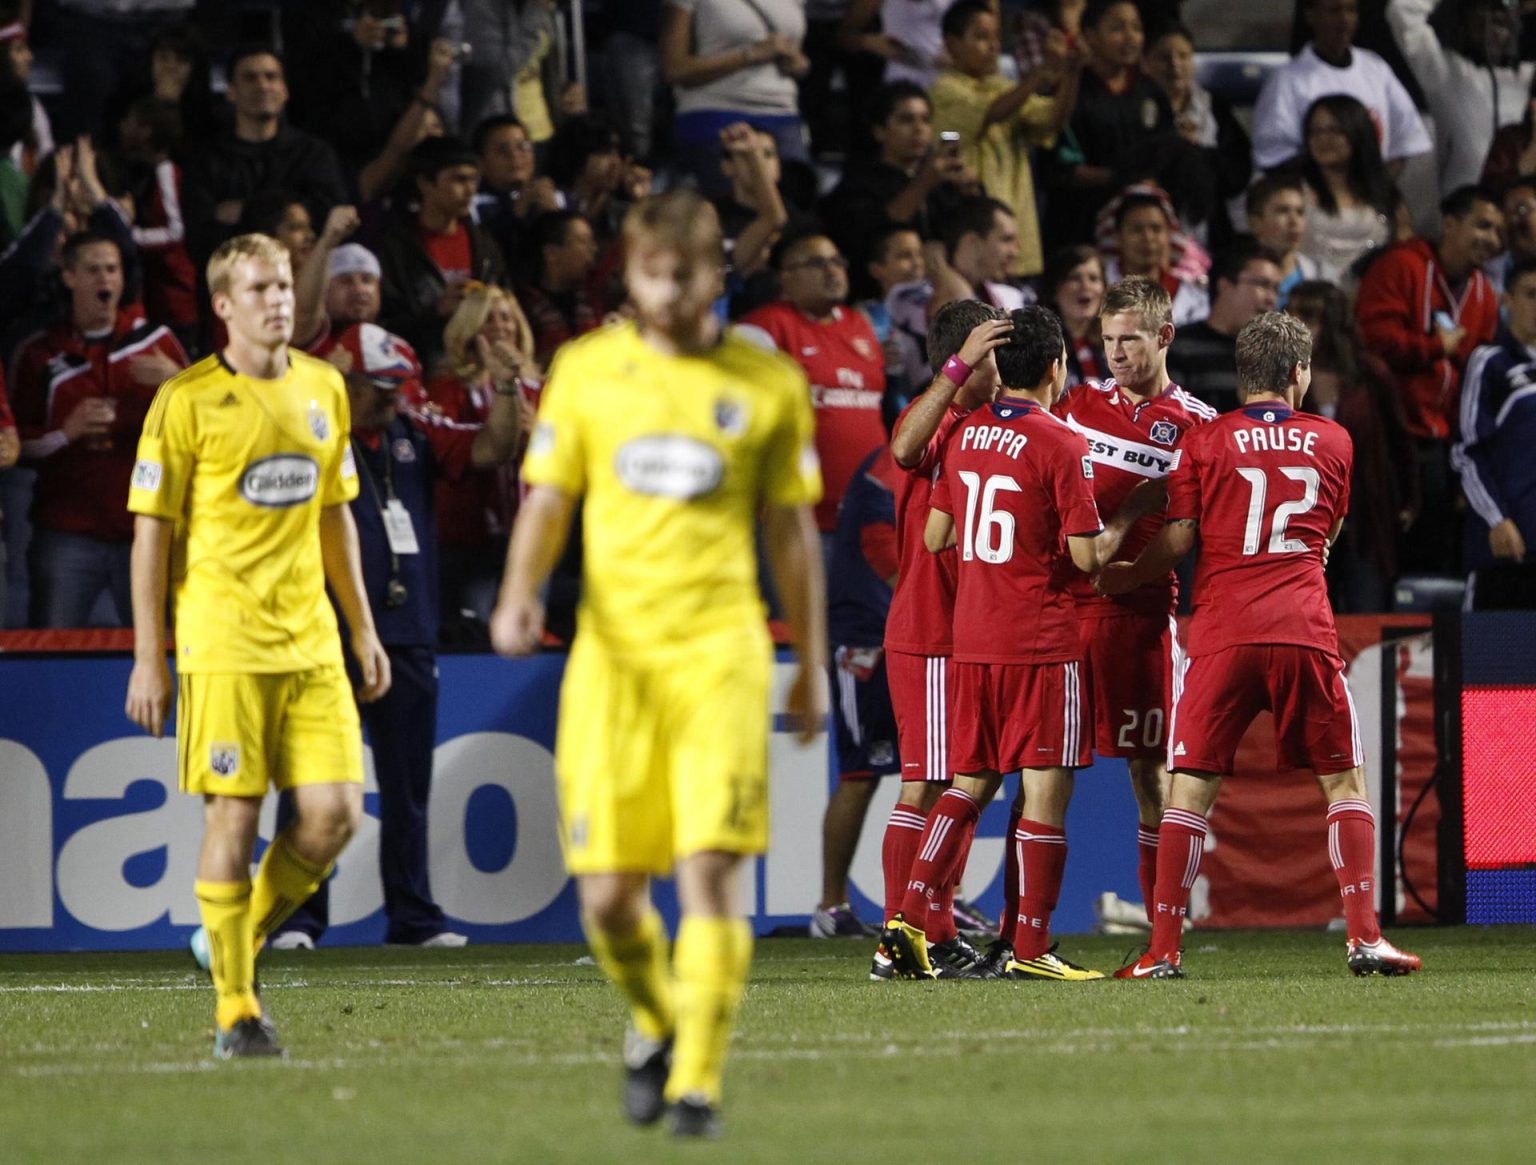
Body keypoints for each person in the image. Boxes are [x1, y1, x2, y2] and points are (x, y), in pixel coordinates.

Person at [490, 189, 827, 1137]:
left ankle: (698, 1084)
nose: (671, 293)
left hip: (720, 654)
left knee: (711, 873)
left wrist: (803, 660)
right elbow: (549, 499)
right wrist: (521, 592)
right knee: (607, 899)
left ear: (716, 274)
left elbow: (792, 530)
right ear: (631, 276)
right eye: (652, 275)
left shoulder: (766, 385)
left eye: (688, 275)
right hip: (614, 663)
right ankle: (654, 1018)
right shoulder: (588, 372)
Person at [124, 233, 390, 1057]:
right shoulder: (187, 402)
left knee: (337, 813)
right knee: (233, 815)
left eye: (284, 285)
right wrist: (148, 655)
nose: (281, 299)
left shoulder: (325, 387)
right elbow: (150, 536)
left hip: (310, 643)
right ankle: (237, 1008)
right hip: (223, 643)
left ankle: (231, 935)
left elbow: (335, 512)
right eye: (261, 288)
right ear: (224, 306)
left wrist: (362, 625)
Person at [1100, 311, 1422, 980]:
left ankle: (1163, 950)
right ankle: (1364, 937)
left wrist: (1130, 572)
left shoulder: (1204, 440)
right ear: (1299, 372)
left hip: (1220, 632)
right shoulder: (1334, 440)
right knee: (1343, 780)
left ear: (1243, 374)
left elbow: (1182, 536)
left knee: (1188, 790)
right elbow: (1326, 533)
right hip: (1302, 626)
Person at [267, 320, 526, 950]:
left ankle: (413, 917)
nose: (394, 397)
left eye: (398, 384)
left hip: (407, 634)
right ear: (343, 381)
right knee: (314, 782)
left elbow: (495, 447)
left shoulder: (414, 432)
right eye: (379, 386)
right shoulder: (309, 433)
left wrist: (508, 385)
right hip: (325, 633)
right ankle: (293, 918)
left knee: (409, 786)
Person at [881, 305, 1107, 983]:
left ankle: (911, 922)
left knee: (967, 782)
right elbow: (1085, 555)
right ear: (1056, 366)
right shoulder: (1053, 439)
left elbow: (936, 536)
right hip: (1020, 634)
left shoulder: (967, 435)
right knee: (1031, 787)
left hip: (972, 636)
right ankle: (1030, 947)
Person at [1053, 276, 1214, 927]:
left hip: (1140, 616)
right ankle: (1021, 928)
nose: (1117, 353)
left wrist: (1128, 573)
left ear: (1165, 336)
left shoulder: (1197, 426)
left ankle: (1162, 922)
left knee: (1150, 774)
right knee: (1041, 769)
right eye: (1109, 339)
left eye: (1130, 339)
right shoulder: (1076, 405)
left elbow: (1187, 532)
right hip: (1061, 612)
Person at [11, 230, 187, 628]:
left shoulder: (156, 342)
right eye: (92, 270)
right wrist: (65, 432)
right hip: (66, 534)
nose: (105, 280)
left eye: (112, 269)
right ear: (69, 277)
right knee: (51, 654)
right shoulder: (41, 352)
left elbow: (215, 421)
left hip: (146, 528)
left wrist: (178, 380)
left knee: (160, 652)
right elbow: (14, 444)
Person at [1356, 185, 1504, 575]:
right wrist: (1433, 346)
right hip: (1390, 435)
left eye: (1497, 232)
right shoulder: (1401, 266)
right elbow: (1371, 340)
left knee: (1434, 552)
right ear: (1450, 224)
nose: (1491, 239)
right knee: (1389, 553)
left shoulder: (1485, 295)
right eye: (1483, 226)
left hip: (1442, 442)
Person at [811, 442, 901, 938]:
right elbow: (877, 539)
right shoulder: (897, 456)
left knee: (936, 770)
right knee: (862, 771)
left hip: (902, 633)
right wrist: (923, 600)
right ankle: (831, 906)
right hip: (867, 635)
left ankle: (933, 901)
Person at [743, 231, 886, 537]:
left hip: (868, 518)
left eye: (836, 261)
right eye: (817, 263)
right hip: (800, 520)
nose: (832, 270)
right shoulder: (765, 327)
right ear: (785, 277)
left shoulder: (860, 324)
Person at [1287, 279, 1416, 613]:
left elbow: (1400, 440)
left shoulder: (1370, 373)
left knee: (1366, 606)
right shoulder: (1283, 376)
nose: (1297, 328)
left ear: (1332, 323)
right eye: (1292, 316)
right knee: (1307, 610)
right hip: (1305, 513)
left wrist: (1408, 499)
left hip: (1365, 512)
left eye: (1308, 318)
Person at [929, 0, 1077, 278]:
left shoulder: (1006, 89)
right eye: (981, 37)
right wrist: (1039, 74)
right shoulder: (942, 90)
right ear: (951, 43)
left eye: (997, 37)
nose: (994, 46)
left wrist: (1072, 71)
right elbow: (991, 113)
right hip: (973, 233)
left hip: (1016, 228)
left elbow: (1052, 120)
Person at [181, 46, 347, 266]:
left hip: (305, 280)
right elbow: (200, 239)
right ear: (231, 91)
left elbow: (328, 221)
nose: (263, 85)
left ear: (285, 90)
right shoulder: (206, 161)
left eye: (271, 77)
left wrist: (245, 211)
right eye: (250, 78)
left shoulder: (315, 154)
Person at [374, 136, 510, 374]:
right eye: (459, 179)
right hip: (422, 368)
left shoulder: (485, 245)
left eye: (473, 180)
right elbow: (382, 324)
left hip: (480, 370)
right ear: (425, 183)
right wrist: (435, 313)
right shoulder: (395, 248)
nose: (470, 190)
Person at [1252, 0, 1431, 175]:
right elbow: (1273, 157)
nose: (1344, 20)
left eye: (1351, 10)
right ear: (1310, 15)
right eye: (1334, 10)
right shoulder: (1286, 81)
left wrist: (1376, 193)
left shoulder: (1376, 68)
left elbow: (1403, 141)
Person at [660, 0, 811, 193]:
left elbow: (797, 53)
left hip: (783, 114)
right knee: (734, 211)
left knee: (794, 209)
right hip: (714, 110)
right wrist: (748, 55)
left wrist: (800, 64)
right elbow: (674, 69)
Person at [1454, 256, 1536, 610]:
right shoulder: (1491, 362)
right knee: (1493, 665)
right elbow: (1467, 451)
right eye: (1531, 294)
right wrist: (1496, 518)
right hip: (1505, 553)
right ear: (1508, 300)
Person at [1388, 0, 1532, 196]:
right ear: (1465, 24)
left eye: (1499, 22)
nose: (1492, 32)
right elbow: (1402, 10)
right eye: (1481, 22)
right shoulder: (1445, 72)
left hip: (1519, 208)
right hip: (1462, 212)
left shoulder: (1526, 79)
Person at [1141, 20, 1251, 248]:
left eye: (1183, 56)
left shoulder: (1214, 107)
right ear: (1145, 63)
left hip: (1211, 230)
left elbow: (1238, 172)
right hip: (1152, 233)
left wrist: (1197, 151)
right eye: (1164, 57)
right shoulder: (1137, 108)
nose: (1175, 65)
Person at [1285, 94, 1412, 285]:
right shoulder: (1292, 191)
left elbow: (1405, 252)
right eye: (1315, 131)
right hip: (1307, 299)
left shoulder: (1387, 194)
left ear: (1357, 132)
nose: (1323, 139)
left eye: (1334, 130)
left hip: (1370, 298)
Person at [1167, 239, 1284, 414]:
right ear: (1225, 284)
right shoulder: (1179, 347)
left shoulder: (1276, 356)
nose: (1271, 299)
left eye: (1276, 289)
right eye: (1263, 285)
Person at [1103, 190, 1209, 327]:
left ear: (1168, 235)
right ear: (1117, 237)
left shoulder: (1194, 296)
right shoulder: (1097, 290)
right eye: (1137, 229)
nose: (1148, 237)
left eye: (1156, 229)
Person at [927, 195, 1032, 318]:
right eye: (1006, 239)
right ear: (972, 243)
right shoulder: (913, 299)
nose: (1015, 252)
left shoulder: (1010, 298)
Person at [1247, 173, 1328, 307]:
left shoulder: (1321, 275)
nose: (1294, 221)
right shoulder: (1237, 278)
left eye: (1300, 212)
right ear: (1255, 222)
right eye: (1283, 211)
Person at [1041, 243, 1107, 384]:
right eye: (1075, 278)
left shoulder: (1113, 346)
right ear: (1054, 290)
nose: (1086, 286)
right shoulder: (1041, 350)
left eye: (1094, 278)